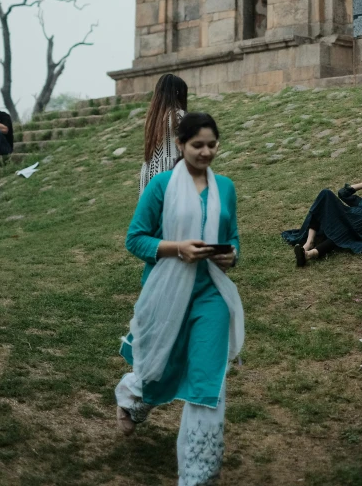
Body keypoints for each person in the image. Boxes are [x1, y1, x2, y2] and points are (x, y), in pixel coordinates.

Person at [115, 112, 244, 486]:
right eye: (197, 145)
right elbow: (135, 239)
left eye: (212, 145)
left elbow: (233, 238)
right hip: (168, 293)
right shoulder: (161, 186)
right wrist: (176, 249)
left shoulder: (227, 188)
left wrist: (230, 255)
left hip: (211, 295)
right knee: (161, 369)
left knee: (208, 383)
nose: (206, 152)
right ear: (182, 145)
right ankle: (132, 397)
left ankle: (198, 475)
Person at [282, 176, 362, 268]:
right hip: (350, 215)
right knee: (325, 195)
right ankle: (309, 242)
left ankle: (309, 254)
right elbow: (343, 193)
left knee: (343, 231)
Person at [140, 73, 188, 197]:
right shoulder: (179, 115)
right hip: (172, 169)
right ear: (177, 93)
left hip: (149, 169)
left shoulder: (151, 118)